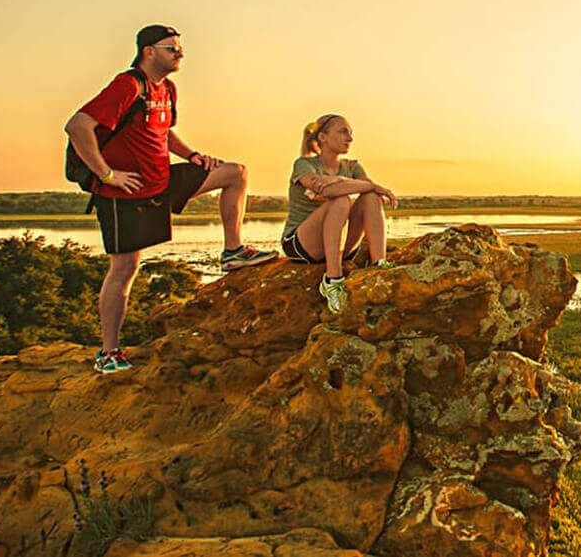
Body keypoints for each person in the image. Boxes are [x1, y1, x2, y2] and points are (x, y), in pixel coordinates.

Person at [65, 24, 276, 374]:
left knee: (235, 173)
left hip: (160, 181)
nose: (180, 53)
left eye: (180, 48)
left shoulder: (167, 89)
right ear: (148, 52)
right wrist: (107, 174)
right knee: (124, 269)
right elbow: (77, 126)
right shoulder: (128, 85)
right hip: (124, 192)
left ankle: (233, 251)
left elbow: (163, 132)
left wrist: (192, 156)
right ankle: (108, 353)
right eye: (171, 48)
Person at [281, 114, 397, 312]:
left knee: (370, 197)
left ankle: (379, 264)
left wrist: (340, 180)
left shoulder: (352, 166)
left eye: (350, 133)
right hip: (302, 243)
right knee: (342, 200)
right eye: (343, 132)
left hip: (341, 245)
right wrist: (353, 184)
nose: (350, 138)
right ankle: (332, 279)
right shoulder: (304, 165)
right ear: (323, 137)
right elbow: (327, 191)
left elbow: (369, 188)